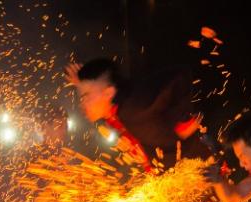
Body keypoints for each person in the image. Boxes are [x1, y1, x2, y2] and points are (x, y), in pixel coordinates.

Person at [65, 58, 210, 173]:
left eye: (85, 96)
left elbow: (181, 75)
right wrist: (84, 85)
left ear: (108, 93)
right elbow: (101, 97)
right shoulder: (113, 111)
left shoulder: (135, 107)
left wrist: (182, 119)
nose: (81, 104)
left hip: (201, 170)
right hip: (170, 176)